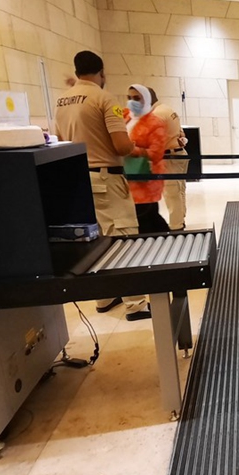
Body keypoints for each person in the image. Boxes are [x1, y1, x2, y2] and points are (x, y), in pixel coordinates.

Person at [54, 51, 150, 321]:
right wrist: (137, 148)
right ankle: (135, 304)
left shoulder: (62, 100)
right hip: (106, 178)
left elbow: (61, 139)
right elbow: (121, 145)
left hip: (80, 179)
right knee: (125, 239)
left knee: (96, 240)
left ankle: (104, 297)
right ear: (102, 72)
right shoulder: (103, 98)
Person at [123, 84, 169, 234]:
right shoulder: (124, 116)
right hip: (126, 177)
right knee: (145, 216)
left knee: (146, 216)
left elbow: (156, 154)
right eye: (129, 98)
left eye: (137, 98)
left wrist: (131, 149)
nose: (132, 102)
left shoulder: (154, 123)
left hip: (145, 178)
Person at [149, 88, 189, 231]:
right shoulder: (167, 109)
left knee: (172, 193)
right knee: (179, 189)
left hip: (169, 156)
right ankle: (181, 219)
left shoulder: (156, 114)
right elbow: (181, 132)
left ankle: (176, 226)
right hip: (178, 153)